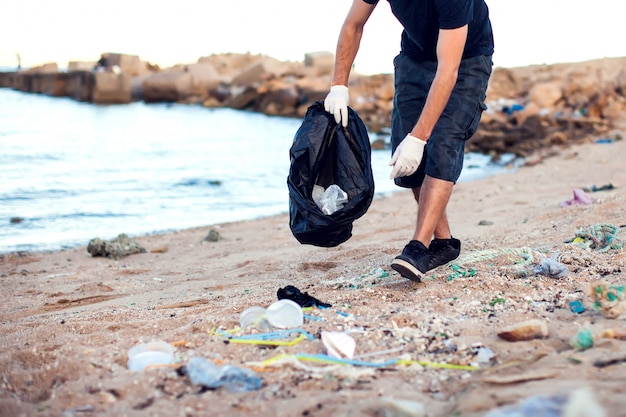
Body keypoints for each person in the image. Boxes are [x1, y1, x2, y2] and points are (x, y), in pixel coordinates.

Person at [324, 0, 494, 282]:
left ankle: (418, 247)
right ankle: (444, 244)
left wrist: (419, 137)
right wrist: (339, 86)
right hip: (415, 57)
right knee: (408, 165)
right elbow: (354, 25)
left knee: (443, 142)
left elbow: (448, 70)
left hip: (465, 61)